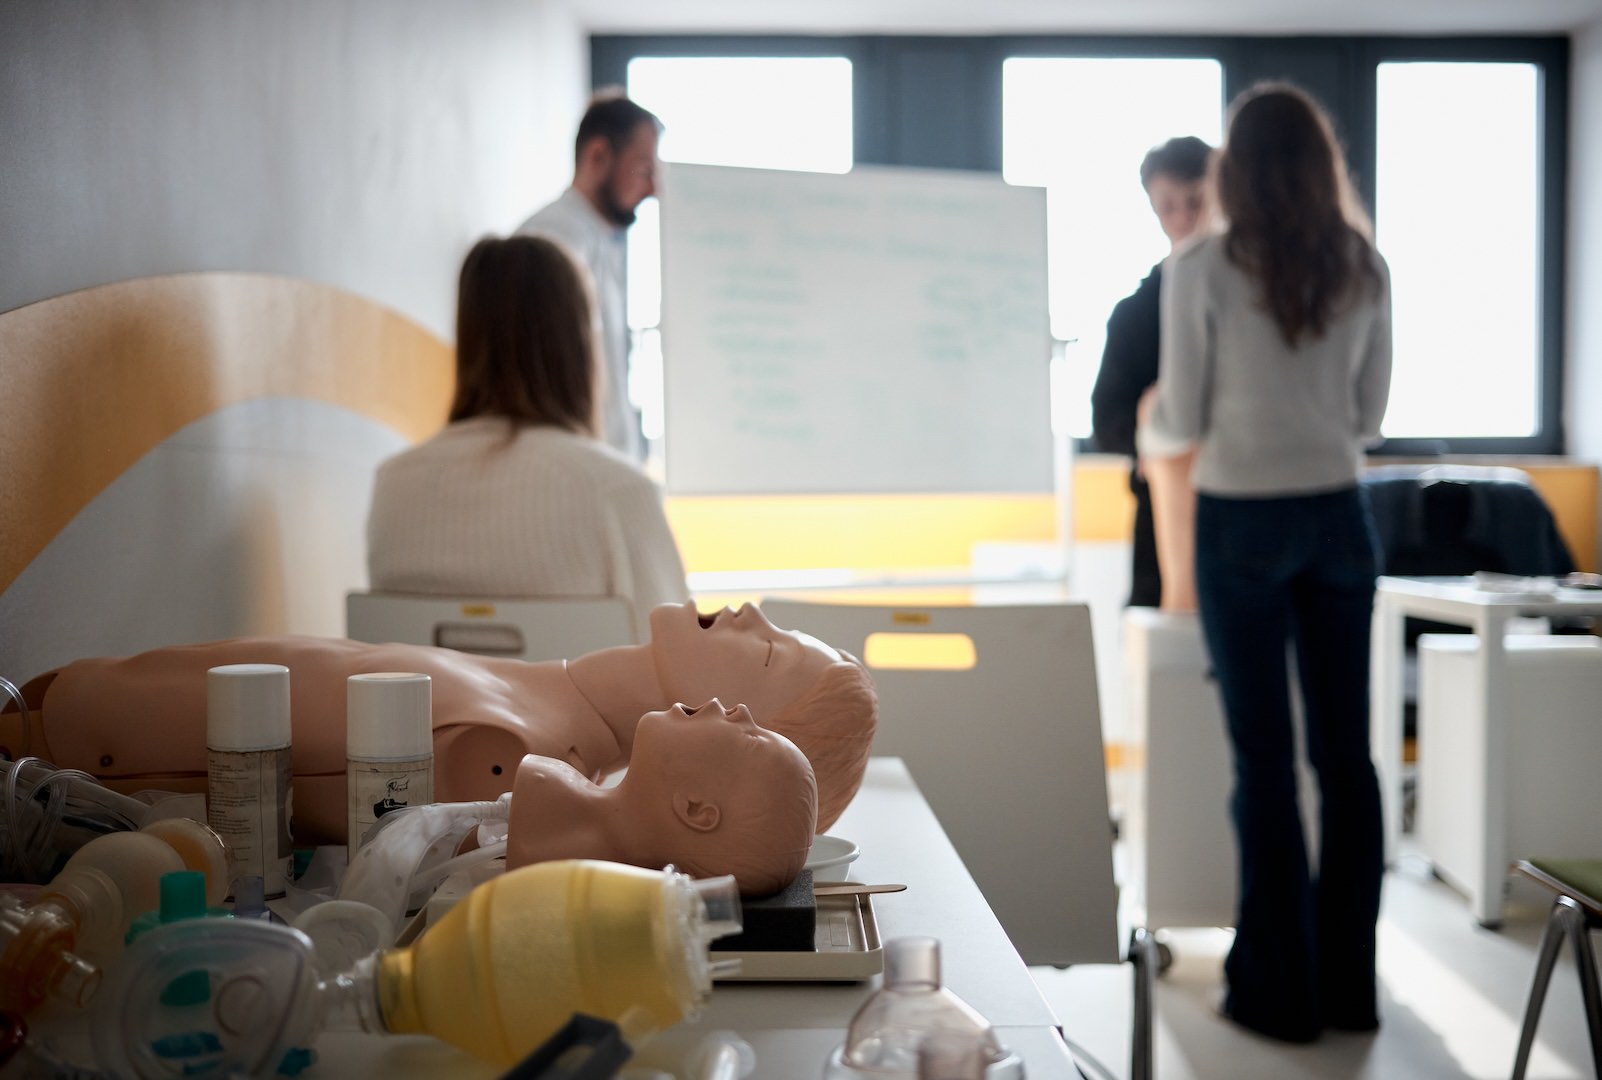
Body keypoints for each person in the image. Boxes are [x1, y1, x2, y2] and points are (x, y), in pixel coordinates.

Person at [1138, 82, 1392, 1042]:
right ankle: (1349, 993)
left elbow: (1186, 419)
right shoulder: (1365, 265)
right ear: (1324, 165)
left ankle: (1275, 996)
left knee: (1266, 765)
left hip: (1240, 522)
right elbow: (1368, 419)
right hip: (1337, 516)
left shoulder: (1201, 268)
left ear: (1230, 170)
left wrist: (1151, 417)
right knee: (1348, 762)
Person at [9, 600, 877, 846]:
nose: (752, 611)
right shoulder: (537, 707)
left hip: (37, 752)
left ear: (729, 733)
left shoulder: (499, 760)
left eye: (768, 655)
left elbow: (209, 785)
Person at [366, 234, 688, 643]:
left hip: (435, 709)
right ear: (579, 343)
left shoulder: (392, 485)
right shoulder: (615, 489)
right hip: (576, 710)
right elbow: (682, 666)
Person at [508, 700, 819, 896]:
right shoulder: (560, 790)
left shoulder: (550, 846)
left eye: (751, 739)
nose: (742, 711)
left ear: (694, 809)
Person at [1090, 135, 1214, 609]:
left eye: (1194, 202)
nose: (1182, 218)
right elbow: (1108, 423)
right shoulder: (1134, 314)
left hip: (1243, 504)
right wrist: (1153, 431)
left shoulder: (1249, 306)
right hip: (1159, 514)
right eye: (1167, 206)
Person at [517, 90, 662, 462]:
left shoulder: (603, 240)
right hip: (573, 471)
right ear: (598, 155)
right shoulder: (550, 242)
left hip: (605, 466)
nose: (653, 190)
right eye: (644, 170)